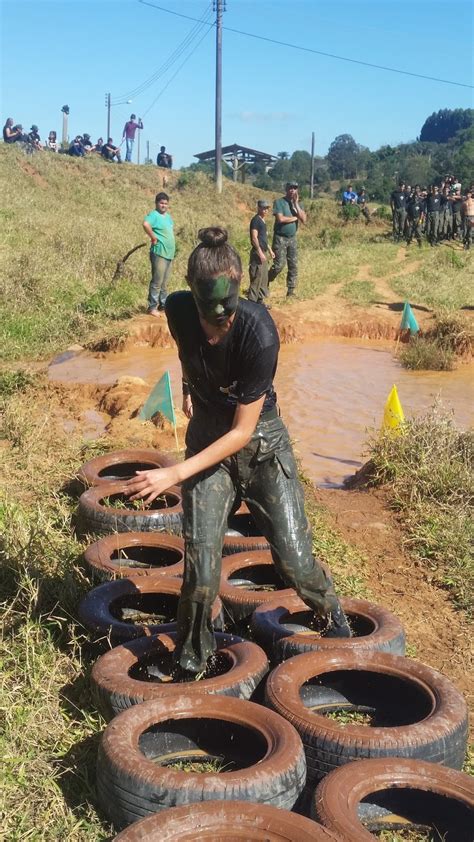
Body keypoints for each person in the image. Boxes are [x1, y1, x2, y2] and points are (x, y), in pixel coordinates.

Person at [124, 226, 351, 679]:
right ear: (192, 294)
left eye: (226, 317)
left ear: (240, 294)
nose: (218, 325)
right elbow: (189, 351)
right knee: (201, 571)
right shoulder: (177, 309)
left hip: (260, 443)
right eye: (210, 317)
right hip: (207, 434)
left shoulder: (259, 332)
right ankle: (191, 660)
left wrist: (174, 474)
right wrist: (190, 386)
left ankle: (338, 622)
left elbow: (243, 431)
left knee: (294, 561)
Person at [268, 182, 306, 297]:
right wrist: (295, 218)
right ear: (286, 189)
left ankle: (290, 291)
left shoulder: (299, 204)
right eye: (290, 188)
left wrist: (296, 204)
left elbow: (304, 219)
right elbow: (280, 219)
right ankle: (264, 282)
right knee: (279, 265)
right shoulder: (279, 202)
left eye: (295, 188)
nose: (292, 190)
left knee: (293, 265)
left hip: (292, 238)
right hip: (280, 238)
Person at [143, 191, 175, 315]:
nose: (164, 206)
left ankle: (163, 305)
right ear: (156, 203)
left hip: (169, 254)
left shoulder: (168, 217)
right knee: (157, 281)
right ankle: (152, 307)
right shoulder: (154, 215)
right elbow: (145, 224)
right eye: (161, 203)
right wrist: (153, 237)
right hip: (159, 252)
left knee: (165, 283)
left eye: (166, 204)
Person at [248, 199, 275, 308]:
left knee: (263, 277)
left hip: (263, 252)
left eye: (266, 208)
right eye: (263, 208)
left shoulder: (263, 221)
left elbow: (264, 239)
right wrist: (259, 252)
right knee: (257, 278)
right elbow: (254, 238)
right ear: (258, 208)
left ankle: (260, 302)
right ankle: (252, 303)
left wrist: (270, 250)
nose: (265, 210)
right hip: (257, 253)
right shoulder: (255, 220)